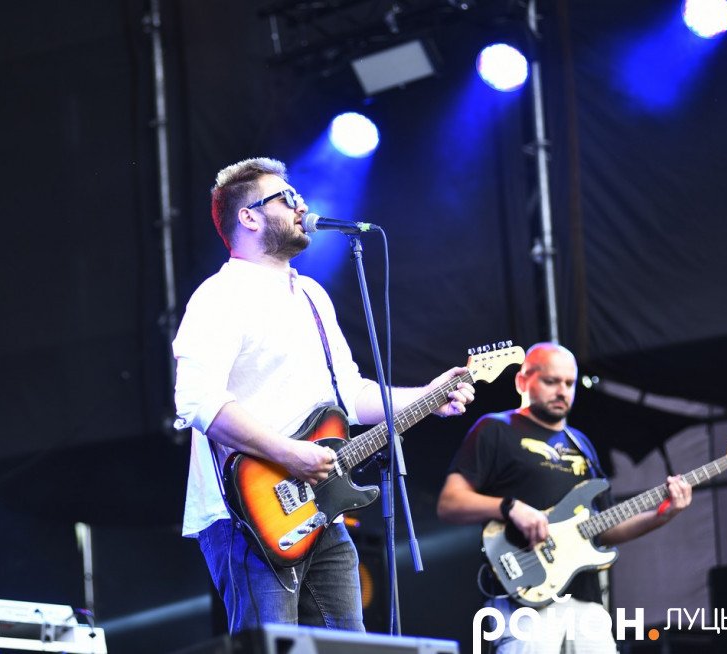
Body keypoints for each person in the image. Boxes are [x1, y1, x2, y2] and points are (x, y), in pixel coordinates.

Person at [173, 157, 475, 633]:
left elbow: (349, 394)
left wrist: (429, 396)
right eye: (286, 198)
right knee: (272, 646)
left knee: (351, 645)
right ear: (248, 216)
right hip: (248, 514)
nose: (302, 206)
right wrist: (289, 454)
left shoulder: (312, 294)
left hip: (322, 508)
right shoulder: (219, 296)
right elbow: (195, 399)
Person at [437, 342, 692, 653]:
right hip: (523, 597)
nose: (562, 391)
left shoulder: (581, 443)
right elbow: (450, 503)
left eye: (569, 383)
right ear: (522, 381)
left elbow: (603, 529)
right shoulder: (495, 429)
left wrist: (663, 515)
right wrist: (510, 507)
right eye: (551, 381)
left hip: (585, 602)